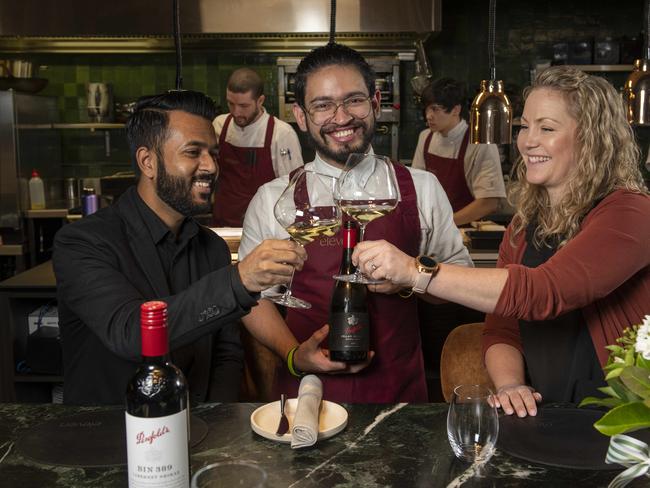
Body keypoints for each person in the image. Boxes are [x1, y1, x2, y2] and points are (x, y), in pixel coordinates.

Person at [353, 66, 650, 416]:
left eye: (547, 128)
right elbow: (501, 325)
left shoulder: (630, 211)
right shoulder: (524, 225)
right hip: (542, 412)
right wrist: (510, 384)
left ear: (591, 139)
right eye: (525, 125)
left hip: (620, 417)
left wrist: (414, 271)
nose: (528, 140)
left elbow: (545, 291)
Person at [238, 42, 472, 403]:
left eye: (354, 100)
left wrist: (412, 277)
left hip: (399, 400)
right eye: (323, 105)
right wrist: (292, 354)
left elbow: (460, 284)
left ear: (375, 103)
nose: (342, 116)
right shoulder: (273, 198)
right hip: (305, 397)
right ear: (301, 117)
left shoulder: (422, 188)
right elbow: (254, 299)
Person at [53, 90, 306, 405]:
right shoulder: (83, 242)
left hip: (199, 435)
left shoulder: (211, 247)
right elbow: (131, 333)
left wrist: (216, 420)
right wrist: (239, 280)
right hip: (110, 440)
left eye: (213, 153)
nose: (211, 166)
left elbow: (226, 354)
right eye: (193, 152)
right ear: (148, 162)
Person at [212, 67, 304, 227]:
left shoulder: (281, 134)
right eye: (230, 104)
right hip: (223, 224)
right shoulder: (219, 125)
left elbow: (295, 190)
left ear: (260, 101)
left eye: (243, 106)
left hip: (264, 227)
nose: (236, 112)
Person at [412, 77, 506, 226]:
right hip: (431, 226)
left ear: (456, 109)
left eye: (435, 109)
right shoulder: (425, 137)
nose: (428, 115)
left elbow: (490, 202)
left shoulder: (479, 143)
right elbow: (416, 188)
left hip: (465, 230)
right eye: (427, 108)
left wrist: (445, 225)